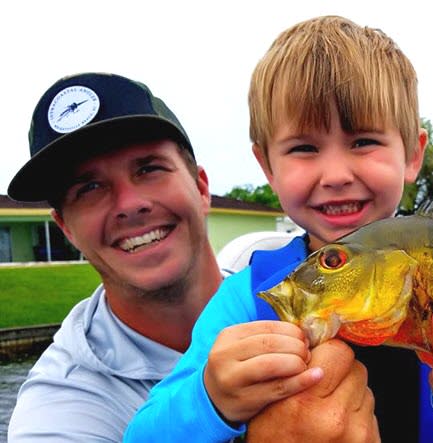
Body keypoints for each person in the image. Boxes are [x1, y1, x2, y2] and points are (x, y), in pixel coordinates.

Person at [127, 15, 433, 443]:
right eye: (304, 148)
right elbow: (141, 436)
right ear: (267, 167)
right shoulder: (247, 300)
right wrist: (210, 398)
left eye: (363, 141)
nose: (335, 174)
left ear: (412, 155)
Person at [6, 72, 377, 442]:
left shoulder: (272, 279)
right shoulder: (57, 415)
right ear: (65, 228)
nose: (130, 205)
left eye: (149, 168)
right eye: (88, 187)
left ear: (202, 188)